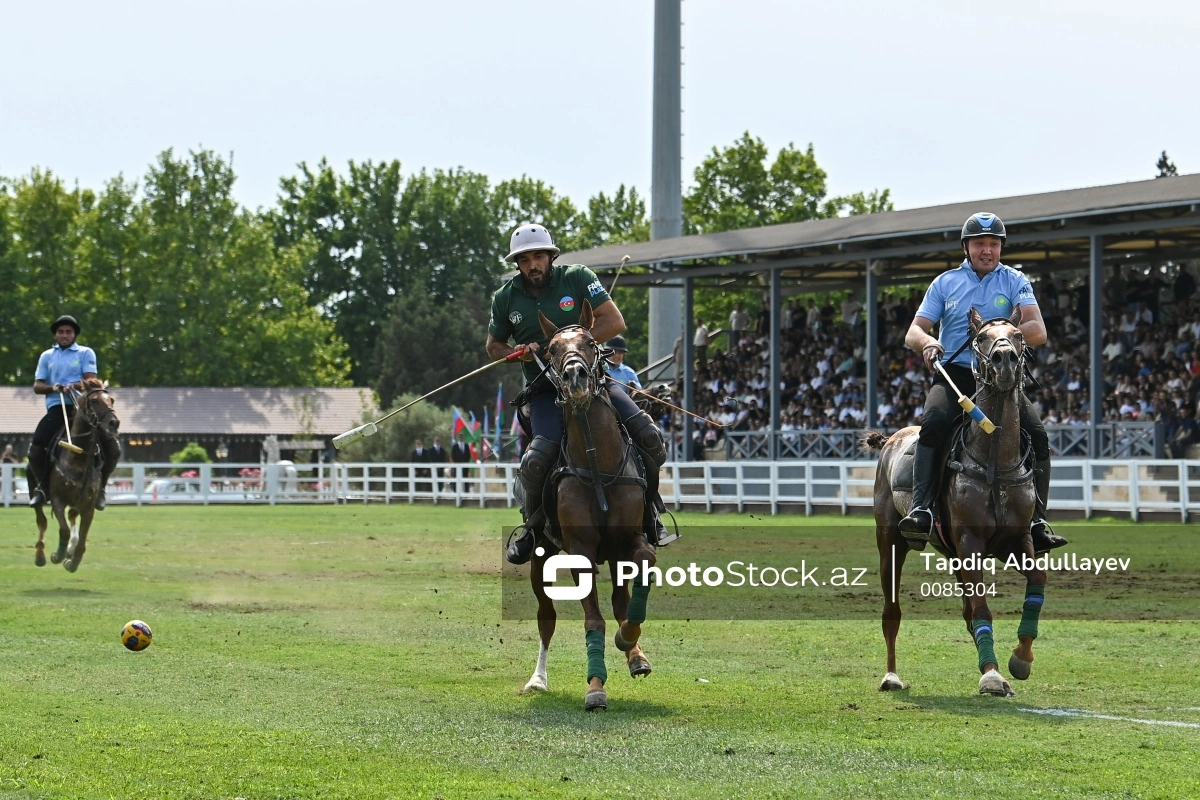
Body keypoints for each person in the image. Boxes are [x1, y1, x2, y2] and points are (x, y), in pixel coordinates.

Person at [486, 223, 672, 565]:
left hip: (595, 382)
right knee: (537, 458)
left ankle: (651, 516)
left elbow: (613, 322)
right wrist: (515, 352)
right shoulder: (506, 297)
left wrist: (574, 341)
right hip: (544, 391)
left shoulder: (577, 277)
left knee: (648, 436)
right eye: (525, 259)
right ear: (517, 263)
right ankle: (533, 528)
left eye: (538, 255)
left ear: (551, 255)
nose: (533, 264)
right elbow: (493, 346)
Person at [898, 213, 1067, 555]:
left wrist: (996, 332)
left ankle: (1037, 521)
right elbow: (913, 331)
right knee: (934, 424)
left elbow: (1038, 331)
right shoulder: (944, 283)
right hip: (957, 375)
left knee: (1037, 435)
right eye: (980, 243)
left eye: (993, 243)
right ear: (966, 247)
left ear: (1001, 247)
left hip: (1001, 379)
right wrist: (928, 343)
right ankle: (922, 510)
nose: (987, 250)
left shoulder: (1016, 280)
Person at [29, 315, 121, 509]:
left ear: (74, 335)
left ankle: (101, 489)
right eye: (61, 332)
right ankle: (43, 488)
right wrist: (53, 387)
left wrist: (75, 385)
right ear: (55, 335)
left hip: (83, 407)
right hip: (56, 406)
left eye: (68, 332)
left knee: (113, 449)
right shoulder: (47, 356)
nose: (64, 335)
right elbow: (38, 386)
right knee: (36, 449)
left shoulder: (85, 353)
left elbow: (91, 381)